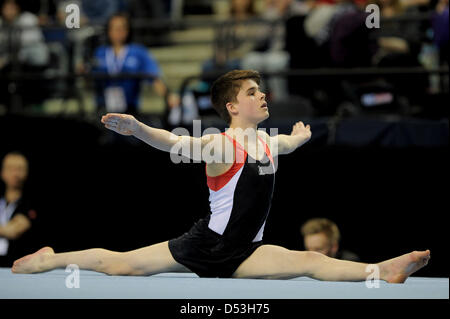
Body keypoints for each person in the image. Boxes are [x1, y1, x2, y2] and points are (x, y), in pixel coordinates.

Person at [12, 70, 430, 284]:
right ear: (232, 107)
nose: (262, 95)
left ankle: (383, 269)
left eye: (261, 90)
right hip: (206, 245)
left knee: (310, 261)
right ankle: (49, 260)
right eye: (252, 92)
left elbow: (284, 145)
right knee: (122, 266)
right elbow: (175, 144)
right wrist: (139, 129)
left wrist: (299, 139)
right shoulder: (220, 145)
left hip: (246, 250)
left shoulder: (267, 142)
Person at [91, 13, 179, 116]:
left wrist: (168, 96)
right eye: (114, 28)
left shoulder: (138, 52)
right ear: (108, 31)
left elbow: (154, 77)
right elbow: (89, 77)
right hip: (103, 108)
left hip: (130, 109)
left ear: (128, 30)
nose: (118, 32)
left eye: (122, 28)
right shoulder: (100, 52)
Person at [0, 152, 38, 267]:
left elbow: (13, 231)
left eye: (19, 169)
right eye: (10, 168)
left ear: (26, 173)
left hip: (15, 264)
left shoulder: (30, 204)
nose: (15, 173)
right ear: (2, 172)